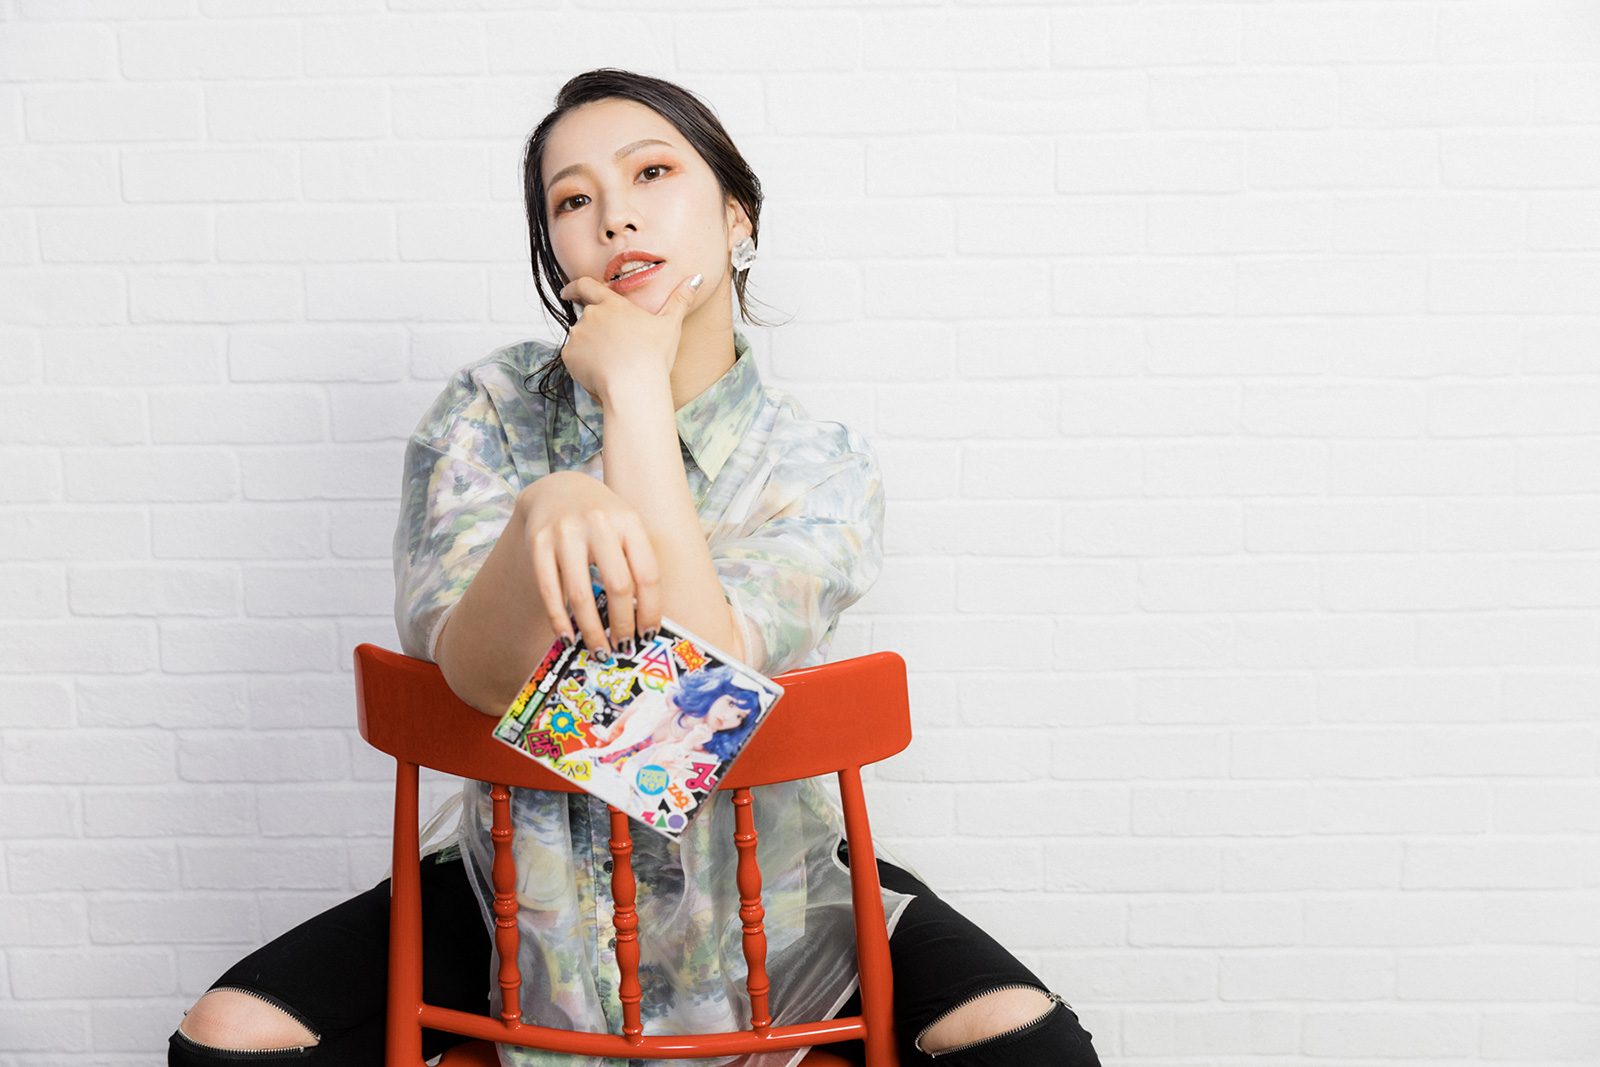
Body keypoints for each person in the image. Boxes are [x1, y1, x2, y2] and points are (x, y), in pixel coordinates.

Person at [168, 68, 1103, 1067]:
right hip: (517, 888)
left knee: (1030, 1048)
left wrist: (633, 392)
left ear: (736, 216)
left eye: (651, 173)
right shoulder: (488, 411)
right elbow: (469, 670)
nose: (614, 216)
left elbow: (692, 704)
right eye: (572, 200)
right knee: (228, 1042)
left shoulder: (819, 466)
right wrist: (545, 507)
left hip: (773, 900)